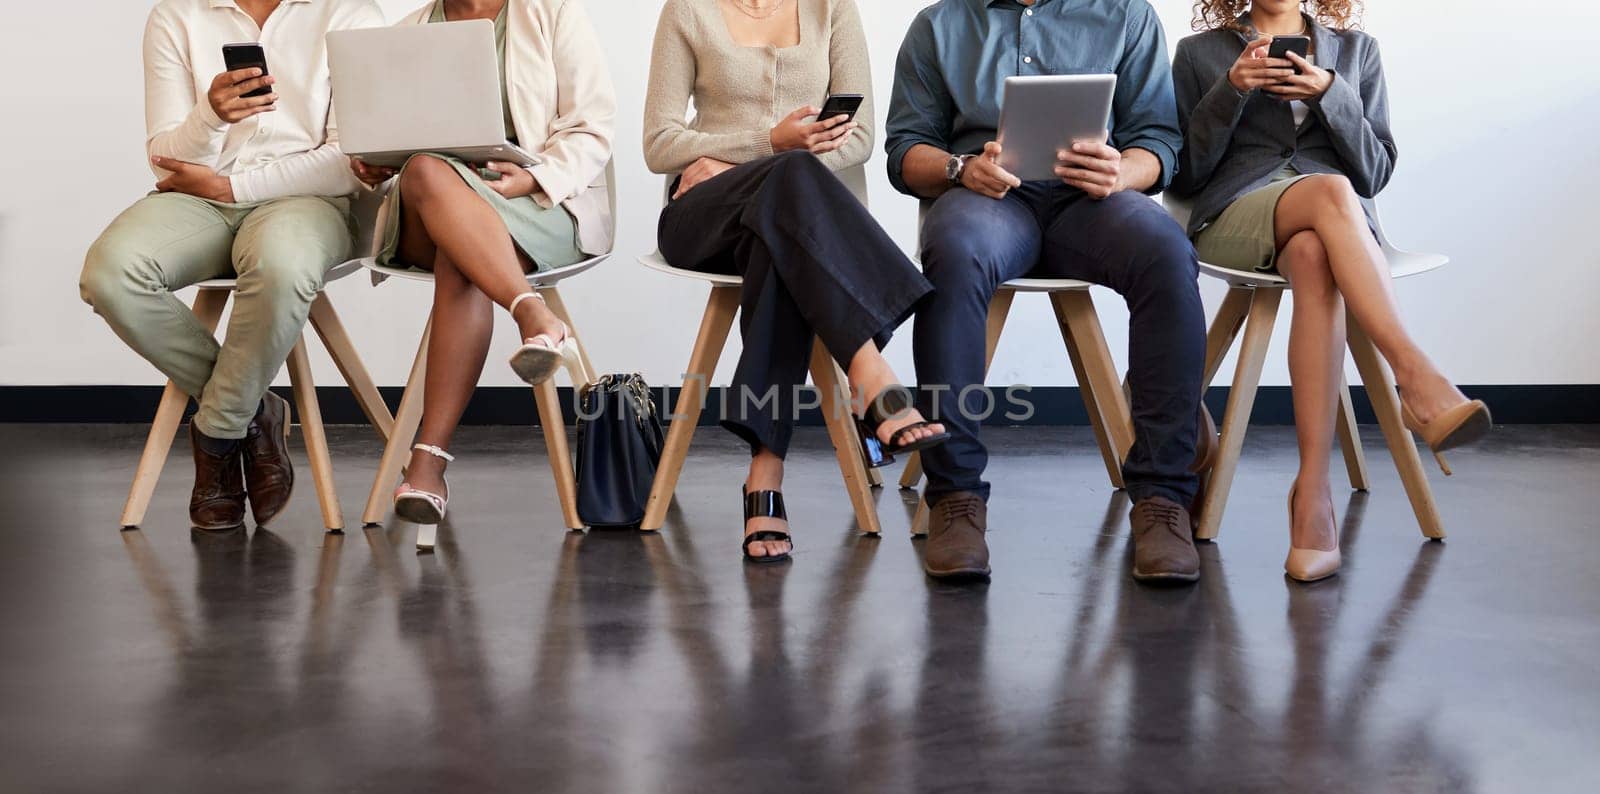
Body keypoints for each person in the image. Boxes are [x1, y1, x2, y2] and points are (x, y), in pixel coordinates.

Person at [886, 0, 1216, 583]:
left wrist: (1122, 172)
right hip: (986, 199)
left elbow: (1159, 143)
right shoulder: (939, 25)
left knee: (1167, 253)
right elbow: (905, 151)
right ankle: (956, 497)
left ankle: (1163, 499)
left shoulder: (1126, 16)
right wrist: (960, 168)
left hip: (1092, 203)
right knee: (954, 254)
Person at [1171, 0, 1491, 582]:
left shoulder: (1357, 52)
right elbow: (1185, 175)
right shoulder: (1200, 54)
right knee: (1333, 193)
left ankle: (1312, 495)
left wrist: (1330, 93)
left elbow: (1375, 170)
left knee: (1317, 250)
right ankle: (1415, 379)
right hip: (1237, 216)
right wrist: (1231, 89)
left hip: (1330, 231)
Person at [644, 0, 949, 564]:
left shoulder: (834, 9)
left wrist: (769, 163)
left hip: (789, 227)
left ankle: (766, 472)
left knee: (780, 235)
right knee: (788, 186)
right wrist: (767, 147)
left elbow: (857, 140)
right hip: (703, 213)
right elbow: (659, 144)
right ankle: (870, 372)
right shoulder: (687, 10)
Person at [80, 0, 385, 531]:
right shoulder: (177, 15)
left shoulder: (351, 14)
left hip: (309, 197)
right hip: (201, 197)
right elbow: (166, 155)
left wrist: (233, 186)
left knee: (282, 265)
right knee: (111, 274)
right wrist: (211, 116)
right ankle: (254, 410)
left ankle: (219, 433)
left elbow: (351, 159)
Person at [348, 0, 616, 527]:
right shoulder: (407, 33)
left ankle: (428, 464)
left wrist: (535, 178)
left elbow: (593, 127)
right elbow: (371, 142)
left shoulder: (552, 12)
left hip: (533, 202)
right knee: (425, 170)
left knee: (462, 258)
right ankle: (532, 314)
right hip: (427, 204)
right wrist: (367, 161)